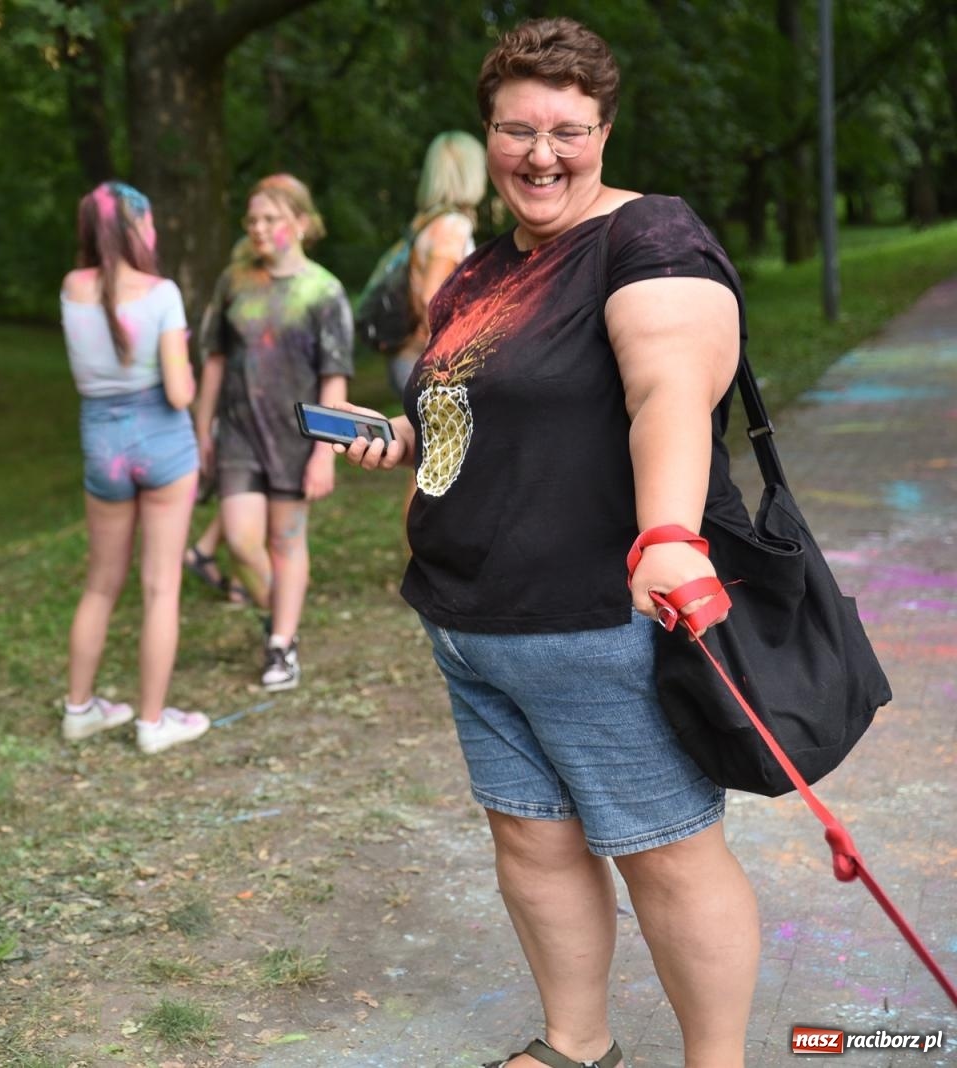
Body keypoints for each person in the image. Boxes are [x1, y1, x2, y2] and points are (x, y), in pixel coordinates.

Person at [336, 18, 759, 1068]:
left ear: (603, 132)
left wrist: (668, 533)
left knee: (664, 854)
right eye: (516, 130)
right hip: (471, 621)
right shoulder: (480, 272)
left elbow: (668, 387)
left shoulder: (646, 239)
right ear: (486, 137)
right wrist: (405, 433)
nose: (540, 153)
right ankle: (578, 1047)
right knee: (529, 836)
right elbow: (484, 404)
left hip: (594, 620)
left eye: (566, 129)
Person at [61, 181, 211, 754]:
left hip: (103, 444)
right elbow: (178, 392)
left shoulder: (71, 289)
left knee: (101, 584)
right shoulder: (161, 293)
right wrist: (188, 366)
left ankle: (79, 708)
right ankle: (152, 722)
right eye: (148, 223)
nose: (155, 233)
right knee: (160, 587)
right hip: (163, 444)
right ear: (133, 229)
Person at [192, 174, 354, 692]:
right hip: (238, 433)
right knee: (240, 542)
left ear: (301, 224)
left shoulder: (324, 291)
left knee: (286, 542)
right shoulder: (235, 280)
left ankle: (282, 643)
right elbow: (215, 360)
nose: (258, 229)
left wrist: (325, 453)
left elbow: (334, 377)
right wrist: (202, 430)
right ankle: (278, 614)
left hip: (295, 437)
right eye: (253, 219)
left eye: (271, 219)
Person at [387, 130, 488, 398]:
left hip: (406, 357)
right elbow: (430, 298)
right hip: (427, 362)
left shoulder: (426, 221)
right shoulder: (453, 226)